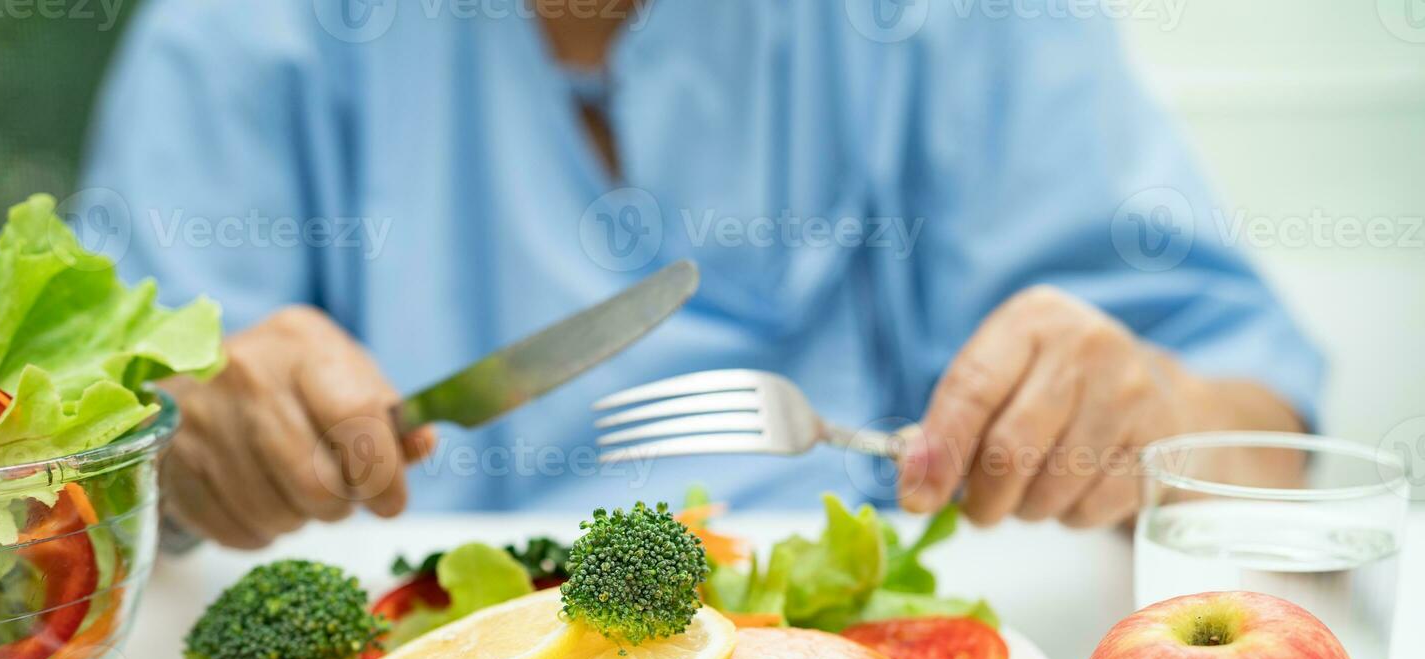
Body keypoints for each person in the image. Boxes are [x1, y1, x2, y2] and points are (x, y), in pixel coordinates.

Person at [82, 0, 1321, 549]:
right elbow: (55, 483)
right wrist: (170, 461)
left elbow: (1272, 456)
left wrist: (1162, 426)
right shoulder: (238, 31)